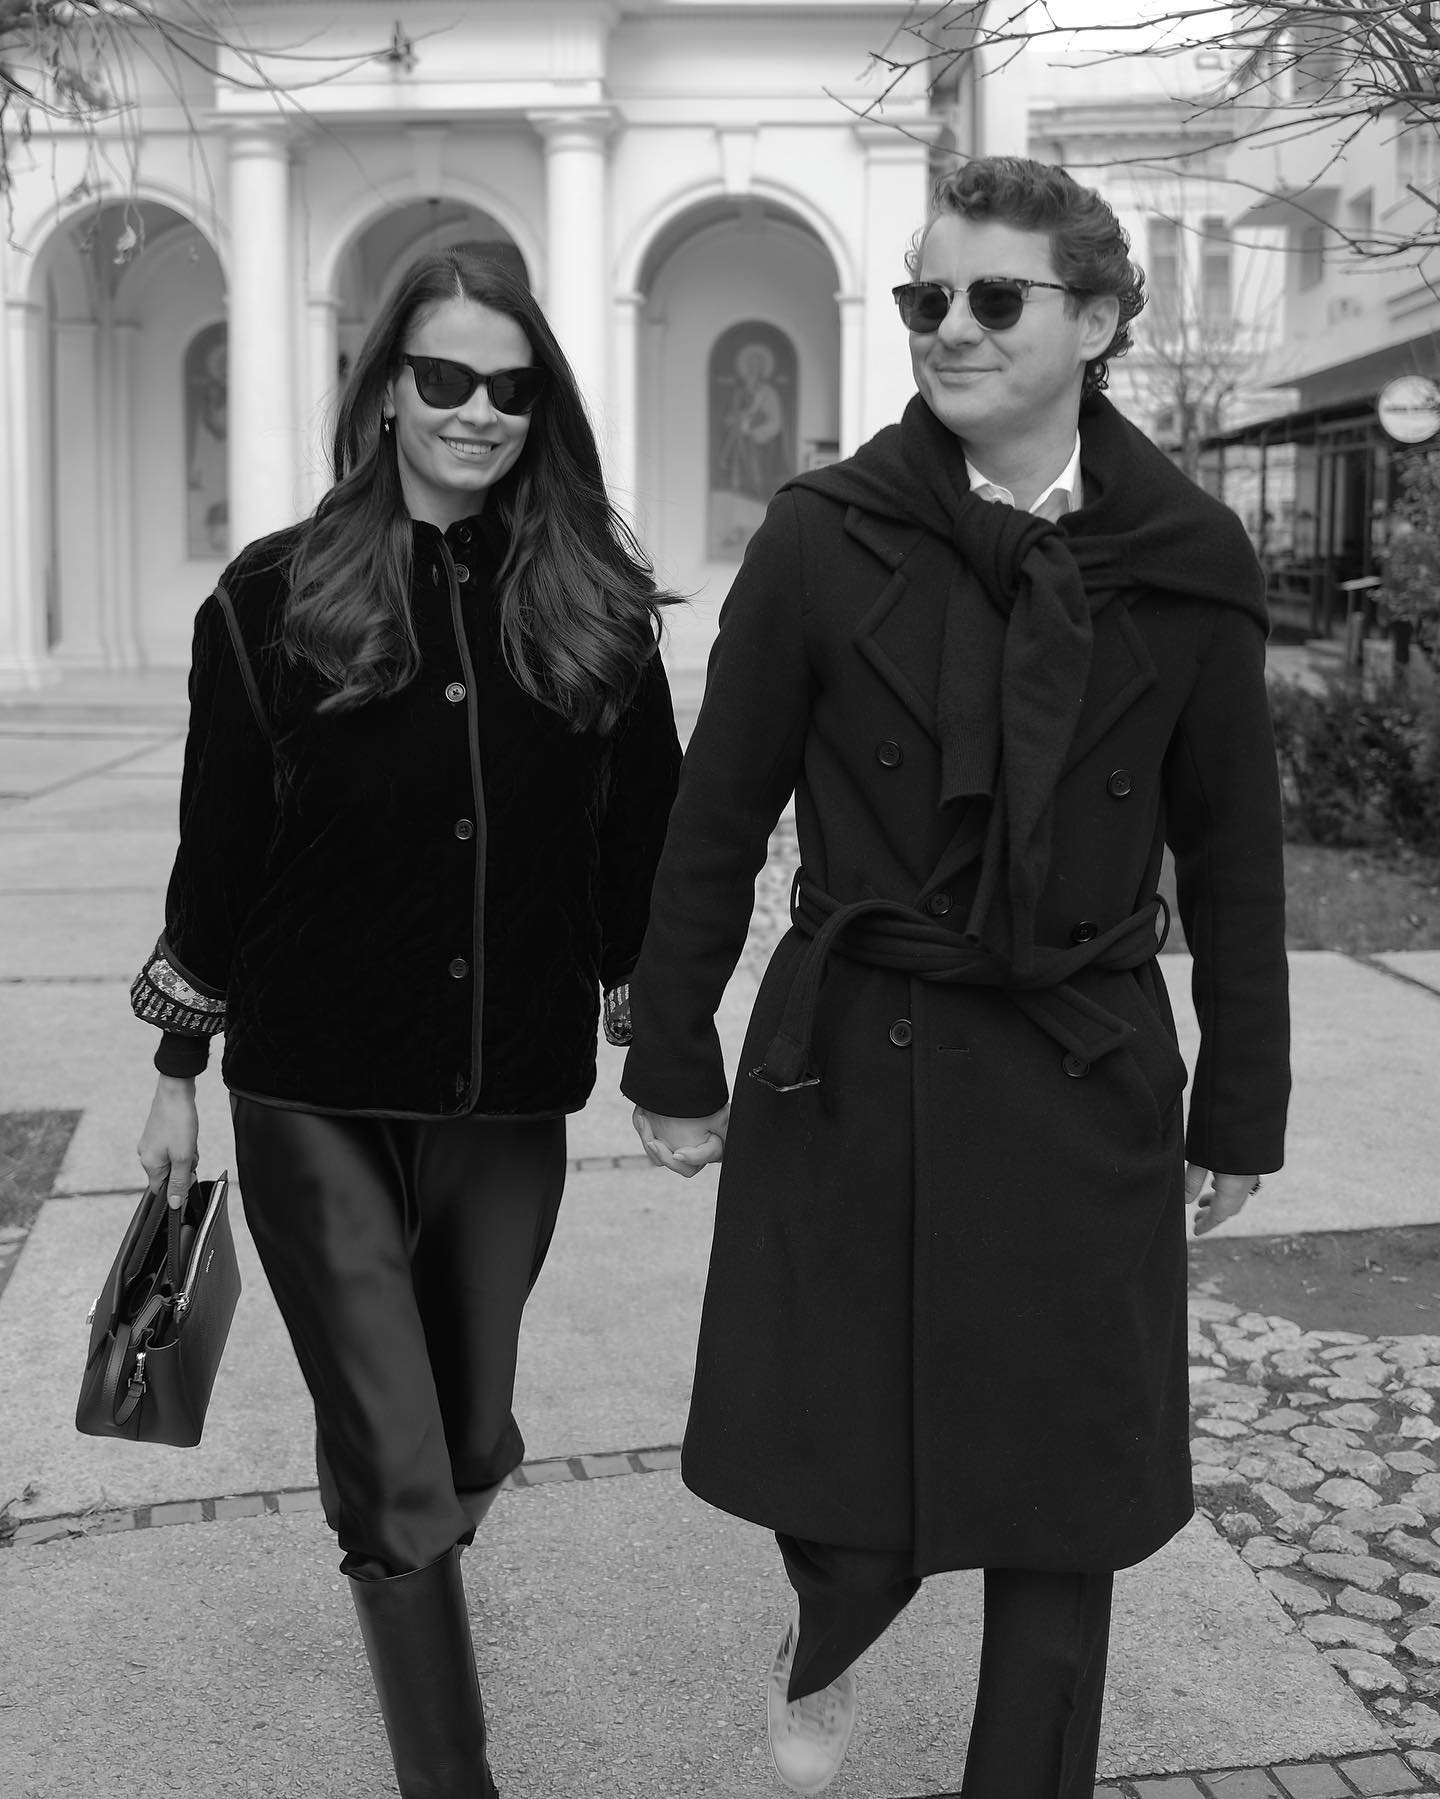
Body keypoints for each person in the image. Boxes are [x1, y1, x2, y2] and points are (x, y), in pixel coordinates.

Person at [622, 157, 1289, 1797]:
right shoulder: (823, 535)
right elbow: (718, 811)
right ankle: (834, 1612)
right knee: (839, 1458)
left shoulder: (1189, 558)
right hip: (860, 1049)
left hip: (1083, 1057)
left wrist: (1240, 1106)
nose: (952, 327)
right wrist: (672, 1050)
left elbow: (1232, 855)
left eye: (997, 297)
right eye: (930, 297)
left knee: (1066, 1501)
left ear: (1102, 320)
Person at [131, 247, 681, 1798]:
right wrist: (178, 1070)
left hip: (509, 1096)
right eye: (445, 378)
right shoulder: (270, 598)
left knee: (467, 1433)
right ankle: (453, 1776)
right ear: (384, 390)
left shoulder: (596, 607)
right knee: (392, 1442)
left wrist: (668, 1037)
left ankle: (401, 1511)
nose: (478, 411)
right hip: (311, 1088)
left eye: (511, 387)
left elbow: (646, 843)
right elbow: (219, 854)